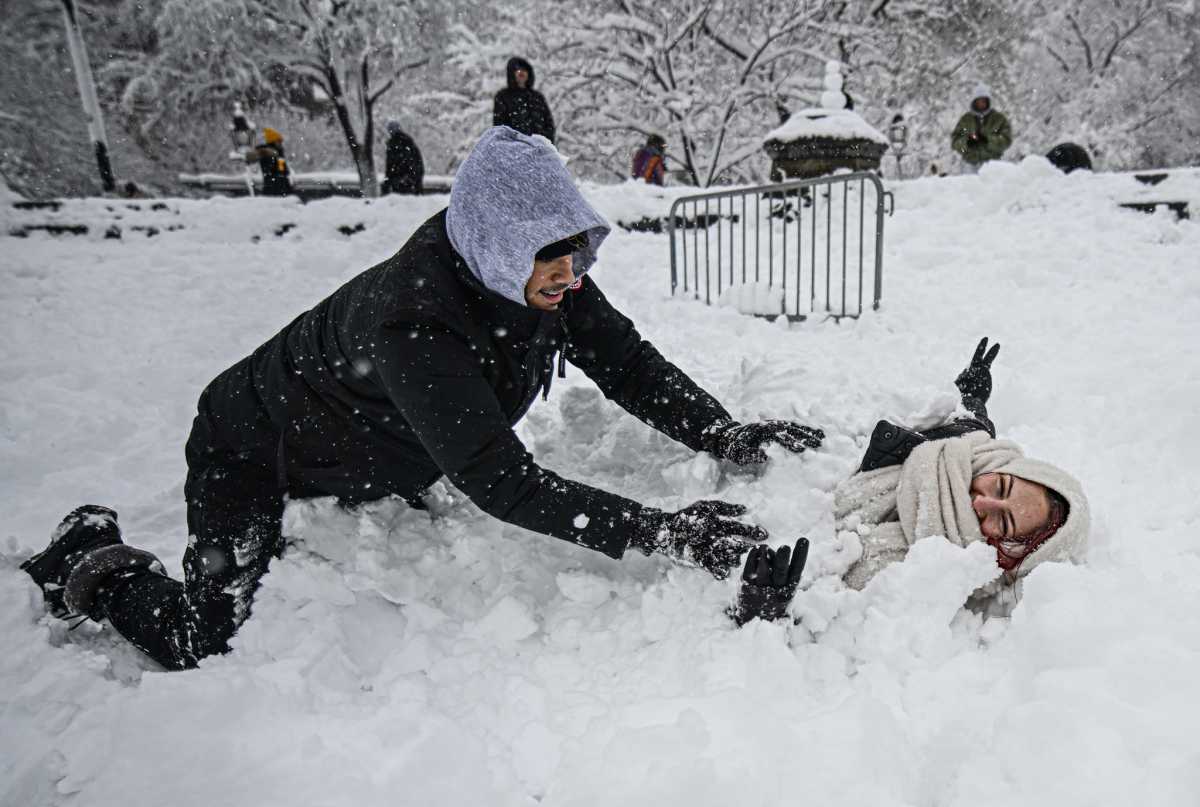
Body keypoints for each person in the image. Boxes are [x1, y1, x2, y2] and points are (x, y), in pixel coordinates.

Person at [21, 127, 823, 671]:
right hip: (252, 446)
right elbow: (499, 481)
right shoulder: (413, 322)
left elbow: (630, 366)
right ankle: (88, 558)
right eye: (549, 256)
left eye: (576, 249)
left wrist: (724, 433)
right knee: (208, 638)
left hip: (367, 451)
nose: (571, 274)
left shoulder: (548, 280)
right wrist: (665, 532)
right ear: (494, 245)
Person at [732, 338, 1090, 624]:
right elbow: (972, 424)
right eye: (1001, 487)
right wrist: (974, 396)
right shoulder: (969, 452)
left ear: (1010, 557)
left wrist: (763, 614)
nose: (982, 502)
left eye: (1003, 521)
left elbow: (833, 625)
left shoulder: (921, 578)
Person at [951, 84, 1013, 173]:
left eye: (984, 101)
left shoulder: (999, 119)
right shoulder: (965, 120)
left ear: (988, 101)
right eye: (979, 101)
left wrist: (988, 140)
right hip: (970, 165)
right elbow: (955, 141)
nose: (981, 104)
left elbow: (1006, 141)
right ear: (974, 102)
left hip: (993, 164)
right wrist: (967, 143)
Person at [493, 57, 556, 143]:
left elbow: (549, 125)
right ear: (512, 73)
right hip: (514, 150)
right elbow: (499, 127)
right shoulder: (503, 97)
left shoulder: (538, 97)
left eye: (524, 70)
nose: (521, 73)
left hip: (539, 148)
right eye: (518, 70)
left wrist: (545, 142)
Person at [244, 127, 292, 196]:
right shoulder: (270, 153)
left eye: (281, 141)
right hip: (276, 189)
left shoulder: (276, 153)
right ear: (273, 142)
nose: (281, 143)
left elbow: (282, 170)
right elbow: (279, 171)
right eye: (279, 141)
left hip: (276, 188)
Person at [381, 120, 424, 195]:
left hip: (400, 180)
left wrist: (388, 181)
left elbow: (391, 165)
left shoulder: (393, 144)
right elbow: (417, 163)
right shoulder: (409, 143)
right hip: (411, 179)